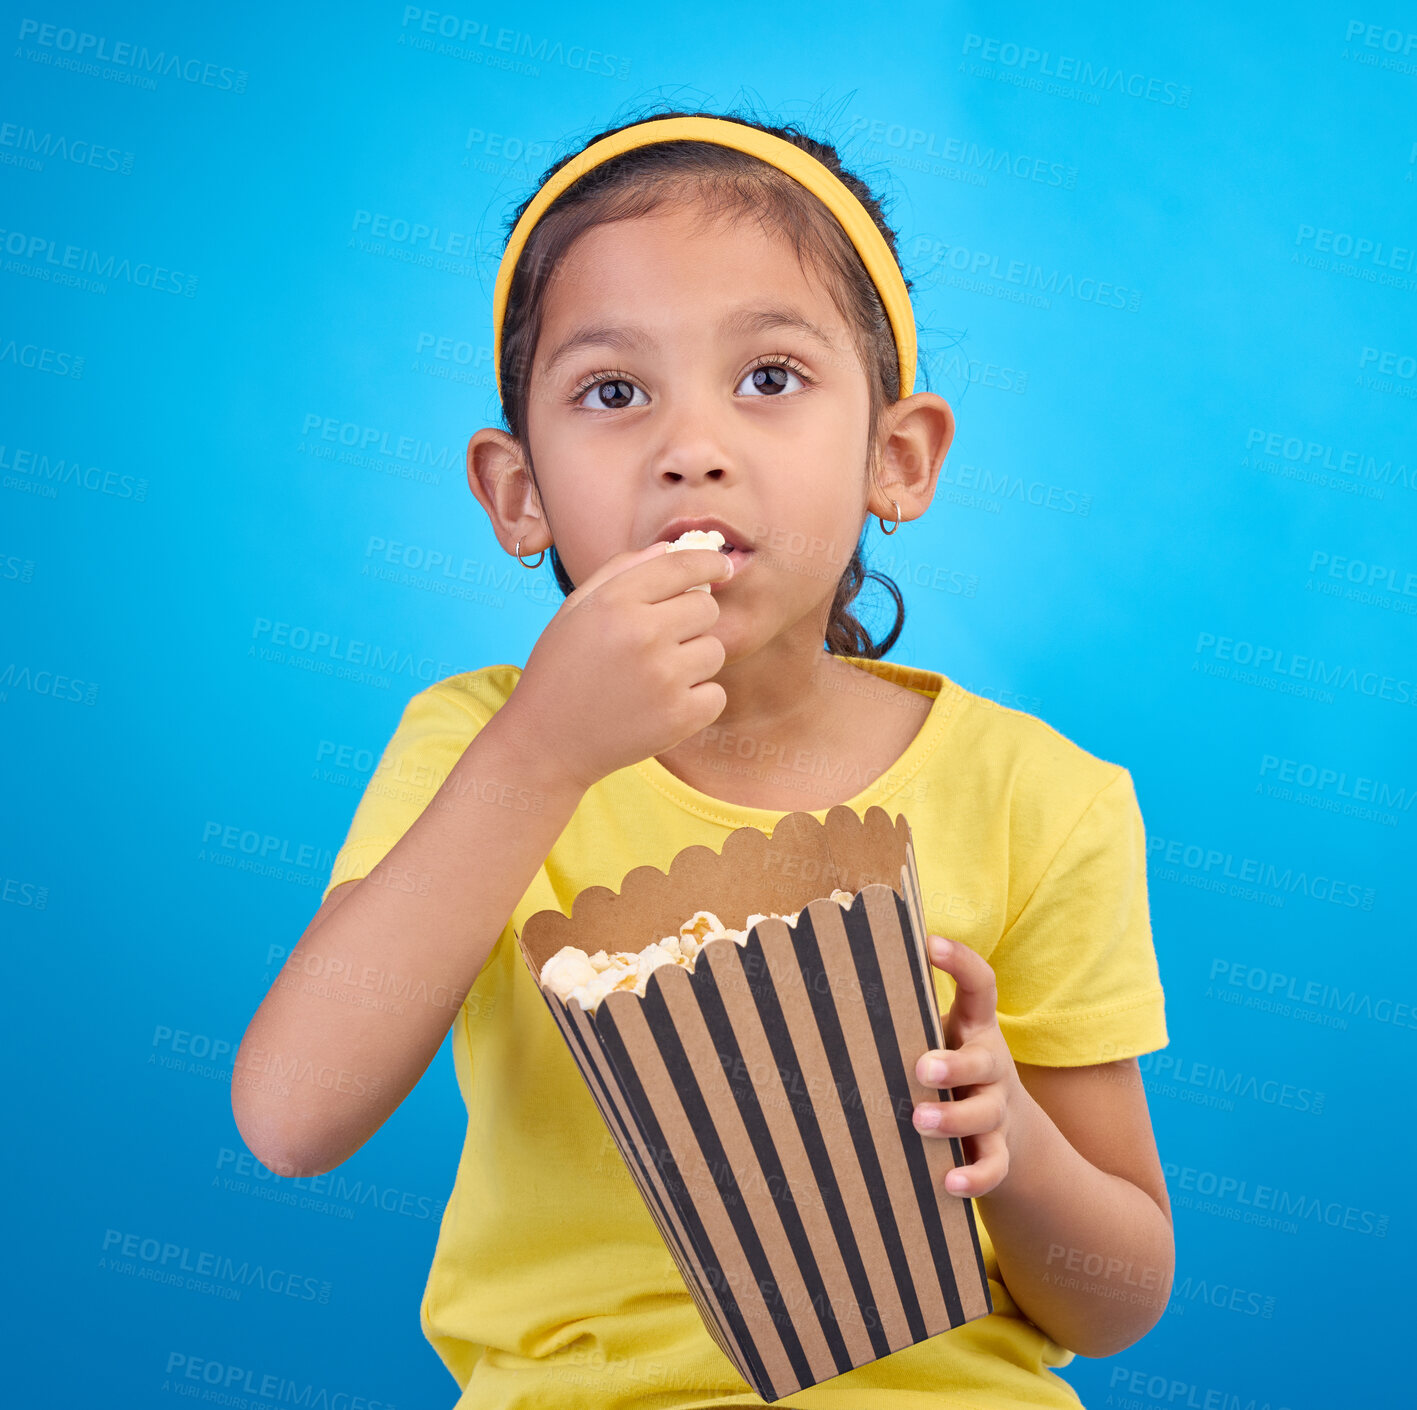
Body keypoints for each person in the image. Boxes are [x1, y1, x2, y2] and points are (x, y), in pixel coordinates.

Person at [233, 108, 1173, 1409]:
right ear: (518, 493)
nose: (692, 446)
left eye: (770, 379)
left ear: (895, 460)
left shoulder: (1041, 797)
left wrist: (1007, 1138)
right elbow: (292, 1115)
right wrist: (538, 757)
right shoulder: (475, 746)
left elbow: (1115, 1299)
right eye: (613, 393)